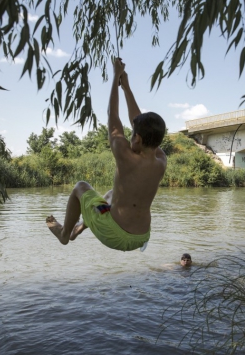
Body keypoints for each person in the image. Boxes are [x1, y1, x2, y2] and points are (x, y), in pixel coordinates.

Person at [46, 58, 167, 251]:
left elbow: (113, 113)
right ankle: (80, 228)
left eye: (133, 134)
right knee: (111, 194)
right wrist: (126, 86)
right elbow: (137, 121)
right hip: (142, 236)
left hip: (114, 234)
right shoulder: (161, 159)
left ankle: (64, 235)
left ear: (138, 140)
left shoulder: (124, 155)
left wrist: (115, 77)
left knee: (80, 187)